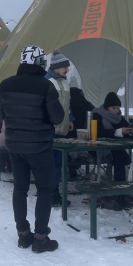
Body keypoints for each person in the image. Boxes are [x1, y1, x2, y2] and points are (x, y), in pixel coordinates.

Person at [0, 45, 64, 253]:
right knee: (44, 190)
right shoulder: (46, 86)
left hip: (15, 146)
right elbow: (58, 118)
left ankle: (23, 234)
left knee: (20, 189)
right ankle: (41, 237)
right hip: (40, 147)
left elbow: (0, 114)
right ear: (40, 63)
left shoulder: (5, 85)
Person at [92, 92, 133, 205]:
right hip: (98, 148)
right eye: (113, 108)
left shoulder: (119, 117)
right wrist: (119, 132)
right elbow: (98, 133)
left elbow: (126, 125)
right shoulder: (97, 114)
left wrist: (131, 130)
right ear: (107, 107)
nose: (116, 111)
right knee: (120, 158)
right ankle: (122, 193)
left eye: (118, 108)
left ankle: (121, 193)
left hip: (115, 148)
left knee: (119, 158)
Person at [45, 51, 74, 207]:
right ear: (56, 67)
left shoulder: (64, 82)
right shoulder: (46, 81)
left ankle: (53, 191)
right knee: (50, 164)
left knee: (58, 163)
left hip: (61, 130)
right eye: (65, 67)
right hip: (49, 130)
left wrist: (70, 118)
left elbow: (67, 104)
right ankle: (49, 193)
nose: (67, 70)